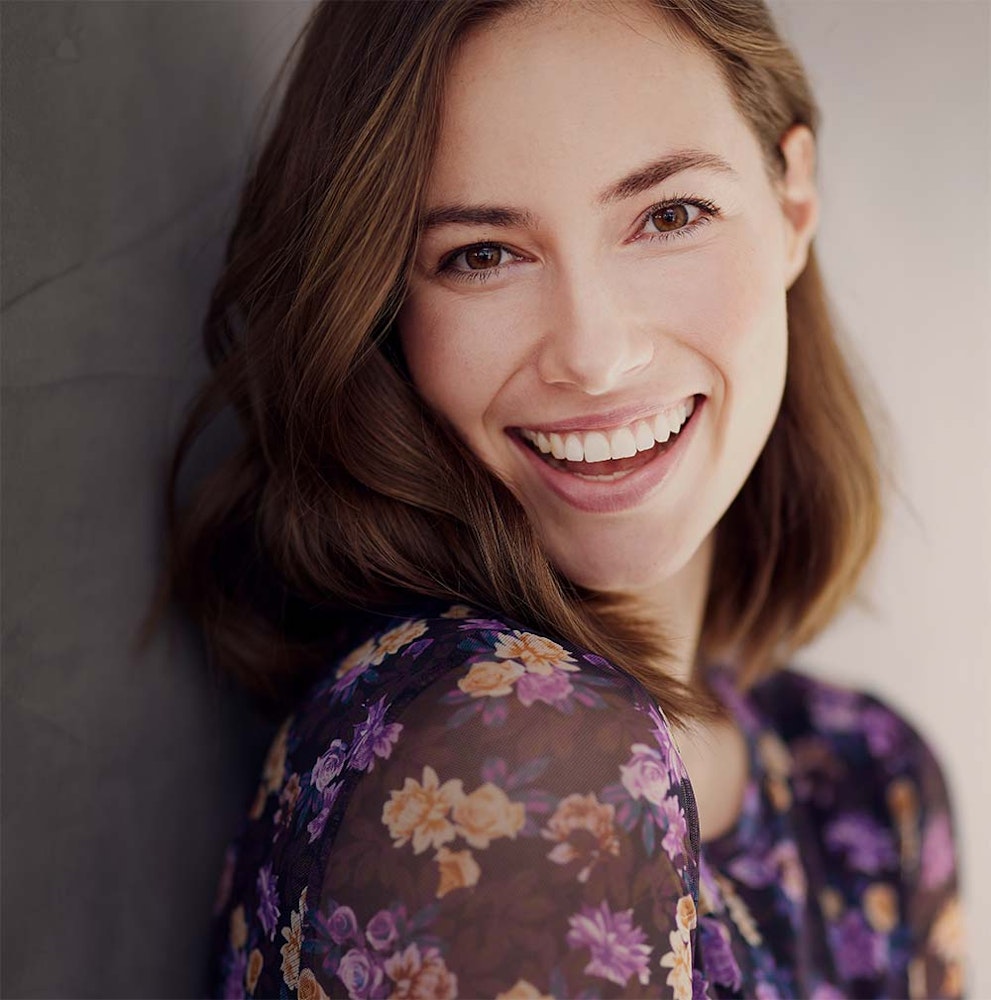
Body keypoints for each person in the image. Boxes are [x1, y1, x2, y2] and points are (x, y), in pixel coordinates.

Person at [163, 1, 965, 996]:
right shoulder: (500, 748)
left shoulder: (864, 777)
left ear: (792, 201)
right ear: (383, 309)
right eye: (481, 254)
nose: (591, 354)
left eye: (668, 215)